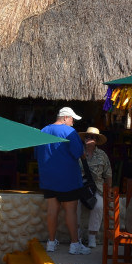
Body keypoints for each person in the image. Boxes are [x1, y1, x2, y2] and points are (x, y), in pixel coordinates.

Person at [35, 107, 89, 255]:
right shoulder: (70, 132)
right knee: (70, 211)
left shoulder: (43, 131)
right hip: (68, 178)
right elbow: (78, 153)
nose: (73, 123)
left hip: (48, 178)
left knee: (52, 211)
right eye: (72, 120)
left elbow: (37, 153)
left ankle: (51, 243)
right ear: (65, 118)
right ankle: (74, 244)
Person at [79, 127, 112, 249]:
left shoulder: (102, 155)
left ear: (96, 140)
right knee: (76, 206)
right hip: (80, 187)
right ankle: (78, 235)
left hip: (96, 188)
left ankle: (92, 235)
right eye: (87, 137)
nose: (89, 139)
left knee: (98, 206)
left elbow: (108, 174)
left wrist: (108, 191)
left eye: (92, 137)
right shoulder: (78, 152)